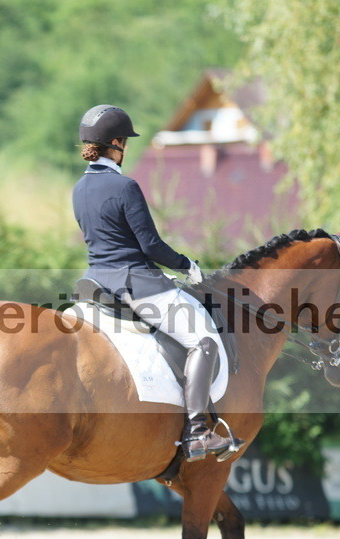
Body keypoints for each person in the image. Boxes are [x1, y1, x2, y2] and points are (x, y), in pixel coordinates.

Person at [71, 104, 235, 461]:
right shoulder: (125, 186)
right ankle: (197, 433)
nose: (125, 148)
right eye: (124, 142)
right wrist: (186, 264)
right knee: (203, 341)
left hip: (94, 282)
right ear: (115, 143)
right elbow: (151, 245)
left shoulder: (79, 188)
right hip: (136, 285)